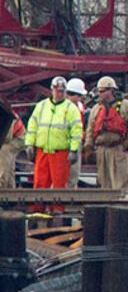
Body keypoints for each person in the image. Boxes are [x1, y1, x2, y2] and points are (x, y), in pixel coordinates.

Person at [25, 77, 83, 210]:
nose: (59, 93)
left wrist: (73, 150)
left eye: (62, 91)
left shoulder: (71, 109)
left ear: (65, 91)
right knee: (39, 184)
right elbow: (32, 126)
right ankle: (37, 212)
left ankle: (57, 214)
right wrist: (29, 144)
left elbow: (76, 131)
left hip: (61, 153)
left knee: (59, 186)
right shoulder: (42, 106)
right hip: (43, 152)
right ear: (52, 90)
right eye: (56, 90)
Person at [84, 76, 128, 189]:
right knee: (103, 183)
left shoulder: (126, 106)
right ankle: (105, 205)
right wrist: (88, 146)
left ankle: (121, 205)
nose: (99, 94)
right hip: (101, 150)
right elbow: (90, 129)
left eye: (102, 91)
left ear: (111, 91)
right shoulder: (96, 109)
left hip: (118, 149)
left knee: (121, 182)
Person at [65, 78, 88, 188]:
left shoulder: (79, 106)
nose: (81, 98)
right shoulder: (63, 107)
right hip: (64, 144)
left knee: (73, 175)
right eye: (79, 96)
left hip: (76, 144)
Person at [0, 112, 25, 188]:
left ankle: (2, 185)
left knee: (5, 150)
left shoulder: (6, 115)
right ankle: (10, 188)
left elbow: (6, 137)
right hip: (16, 137)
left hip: (18, 138)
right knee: (9, 162)